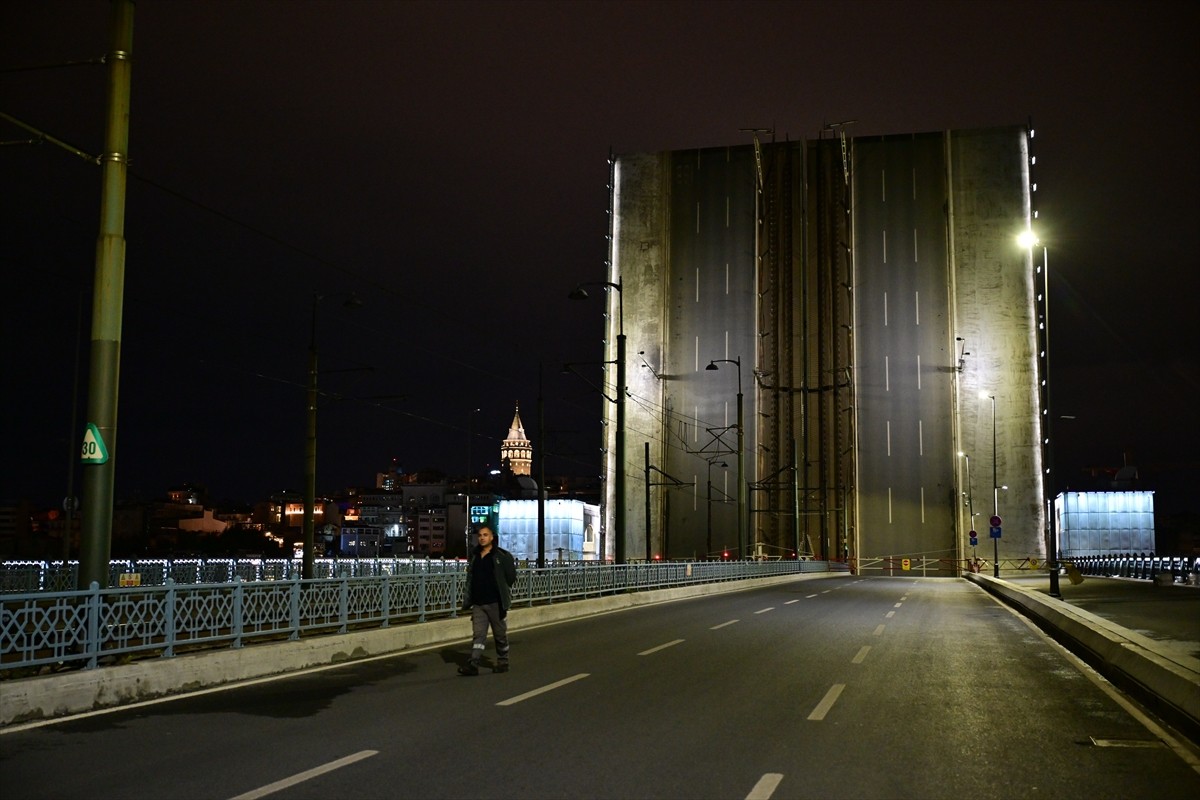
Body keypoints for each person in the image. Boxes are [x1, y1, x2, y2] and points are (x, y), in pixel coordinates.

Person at [459, 524, 517, 675]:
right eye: (480, 535)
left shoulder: (502, 556)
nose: (482, 538)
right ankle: (473, 664)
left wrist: (502, 591)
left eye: (485, 535)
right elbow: (471, 578)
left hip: (495, 603)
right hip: (478, 603)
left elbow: (510, 577)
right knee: (478, 635)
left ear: (492, 537)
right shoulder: (475, 555)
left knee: (500, 635)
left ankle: (503, 662)